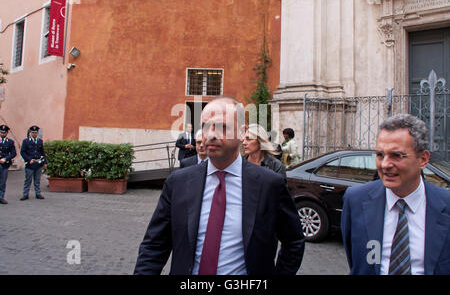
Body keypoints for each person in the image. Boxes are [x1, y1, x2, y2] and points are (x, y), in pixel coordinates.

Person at [134, 96, 305, 275]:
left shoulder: (269, 184)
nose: (212, 134)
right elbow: (154, 245)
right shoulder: (178, 183)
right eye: (206, 126)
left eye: (222, 127)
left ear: (241, 133)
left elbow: (294, 241)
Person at [341, 114, 450, 275]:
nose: (385, 165)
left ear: (423, 159)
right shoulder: (355, 199)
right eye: (380, 155)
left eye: (396, 155)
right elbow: (358, 262)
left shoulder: (446, 205)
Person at [20, 126, 47, 200]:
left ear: (38, 133)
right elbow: (22, 152)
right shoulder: (26, 141)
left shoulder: (39, 141)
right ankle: (25, 194)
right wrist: (28, 159)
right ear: (30, 133)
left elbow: (42, 152)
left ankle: (38, 193)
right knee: (28, 180)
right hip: (30, 164)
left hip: (38, 163)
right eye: (33, 132)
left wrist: (45, 162)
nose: (34, 134)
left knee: (37, 180)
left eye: (36, 133)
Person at [0, 125, 17, 204]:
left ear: (7, 133)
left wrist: (6, 158)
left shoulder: (10, 142)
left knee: (3, 182)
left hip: (4, 165)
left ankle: (1, 197)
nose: (2, 134)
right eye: (1, 132)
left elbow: (13, 153)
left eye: (4, 132)